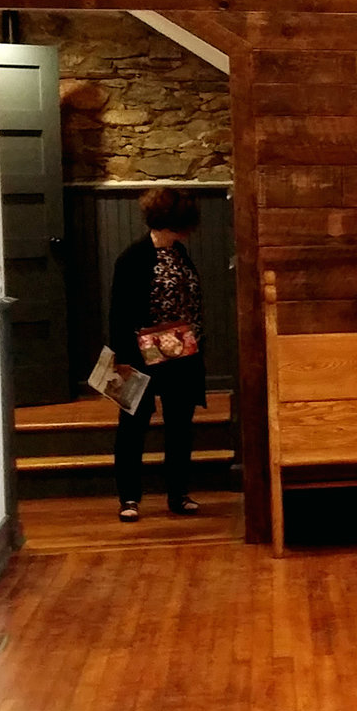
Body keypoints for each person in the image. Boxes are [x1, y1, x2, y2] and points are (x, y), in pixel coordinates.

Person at [108, 187, 208, 522]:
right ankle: (129, 498)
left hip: (182, 353)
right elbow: (119, 311)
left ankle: (178, 494)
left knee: (180, 425)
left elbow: (190, 302)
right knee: (133, 425)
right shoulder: (133, 257)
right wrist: (122, 357)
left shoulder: (181, 254)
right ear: (172, 222)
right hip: (140, 354)